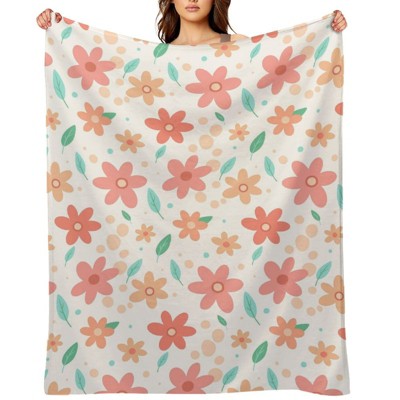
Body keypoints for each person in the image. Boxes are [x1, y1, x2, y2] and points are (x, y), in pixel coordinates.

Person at [36, 1, 347, 45]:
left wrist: (326, 31)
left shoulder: (238, 47)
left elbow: (288, 61)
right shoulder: (157, 60)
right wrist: (58, 28)